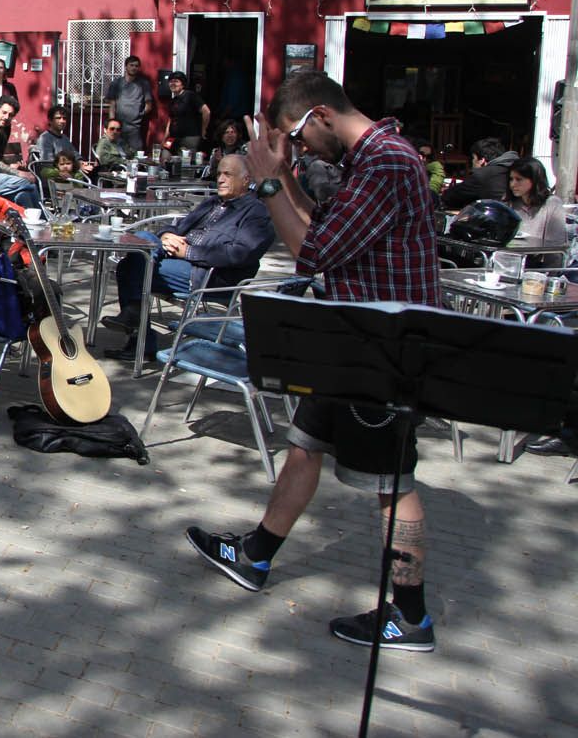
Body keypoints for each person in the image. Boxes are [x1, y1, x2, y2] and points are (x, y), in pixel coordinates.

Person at [185, 71, 441, 652]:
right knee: (303, 447)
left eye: (298, 139)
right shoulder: (367, 159)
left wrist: (272, 180)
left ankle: (411, 614)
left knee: (392, 481)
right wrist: (286, 176)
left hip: (385, 350)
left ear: (321, 115)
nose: (298, 149)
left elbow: (312, 252)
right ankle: (255, 556)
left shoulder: (387, 164)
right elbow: (327, 228)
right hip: (349, 339)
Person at [100, 155, 273, 360]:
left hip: (207, 275)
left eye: (228, 174)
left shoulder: (255, 212)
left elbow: (238, 254)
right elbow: (177, 226)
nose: (220, 179)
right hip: (178, 257)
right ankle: (136, 324)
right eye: (219, 174)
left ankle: (138, 332)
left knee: (130, 266)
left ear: (246, 180)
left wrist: (188, 252)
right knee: (143, 241)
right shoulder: (212, 203)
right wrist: (166, 235)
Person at [505, 157, 566, 257]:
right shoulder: (509, 203)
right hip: (508, 261)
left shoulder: (552, 204)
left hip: (537, 265)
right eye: (511, 179)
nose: (512, 184)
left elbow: (557, 246)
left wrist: (549, 272)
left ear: (534, 180)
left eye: (519, 179)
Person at [441, 137, 517, 209]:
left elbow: (450, 197)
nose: (472, 162)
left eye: (473, 158)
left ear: (481, 160)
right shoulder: (515, 168)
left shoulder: (483, 174)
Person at [106, 55, 153, 153]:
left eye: (136, 66)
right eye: (131, 65)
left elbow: (149, 105)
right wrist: (111, 123)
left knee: (136, 155)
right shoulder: (116, 83)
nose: (134, 68)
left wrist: (139, 114)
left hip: (134, 128)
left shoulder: (144, 84)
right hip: (118, 128)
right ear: (126, 66)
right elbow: (112, 105)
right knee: (116, 153)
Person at [164, 72, 209, 153]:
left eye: (176, 81)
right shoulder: (173, 101)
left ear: (183, 84)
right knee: (164, 156)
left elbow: (206, 111)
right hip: (173, 138)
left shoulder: (190, 96)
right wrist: (164, 139)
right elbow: (171, 120)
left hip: (189, 138)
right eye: (171, 81)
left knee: (184, 163)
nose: (173, 83)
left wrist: (203, 130)